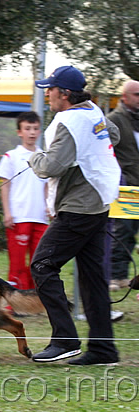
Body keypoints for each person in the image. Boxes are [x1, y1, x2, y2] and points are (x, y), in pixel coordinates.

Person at [29, 65, 121, 365]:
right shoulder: (93, 111)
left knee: (43, 263)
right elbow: (114, 135)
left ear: (64, 94)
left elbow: (48, 167)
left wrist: (32, 154)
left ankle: (65, 340)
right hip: (99, 202)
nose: (47, 93)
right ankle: (103, 350)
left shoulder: (68, 121)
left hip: (78, 207)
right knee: (93, 279)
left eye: (51, 89)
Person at [0, 111, 48, 289]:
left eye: (35, 129)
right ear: (19, 132)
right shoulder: (11, 156)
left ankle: (36, 297)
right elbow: (5, 185)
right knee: (17, 262)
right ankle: (16, 298)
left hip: (40, 217)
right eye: (27, 129)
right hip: (19, 217)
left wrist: (50, 208)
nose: (32, 133)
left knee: (39, 261)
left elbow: (48, 185)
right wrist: (8, 213)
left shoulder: (45, 157)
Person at [108, 80, 139, 292]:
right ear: (125, 97)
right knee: (124, 230)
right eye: (137, 95)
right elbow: (107, 151)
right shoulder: (114, 120)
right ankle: (116, 276)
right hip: (127, 185)